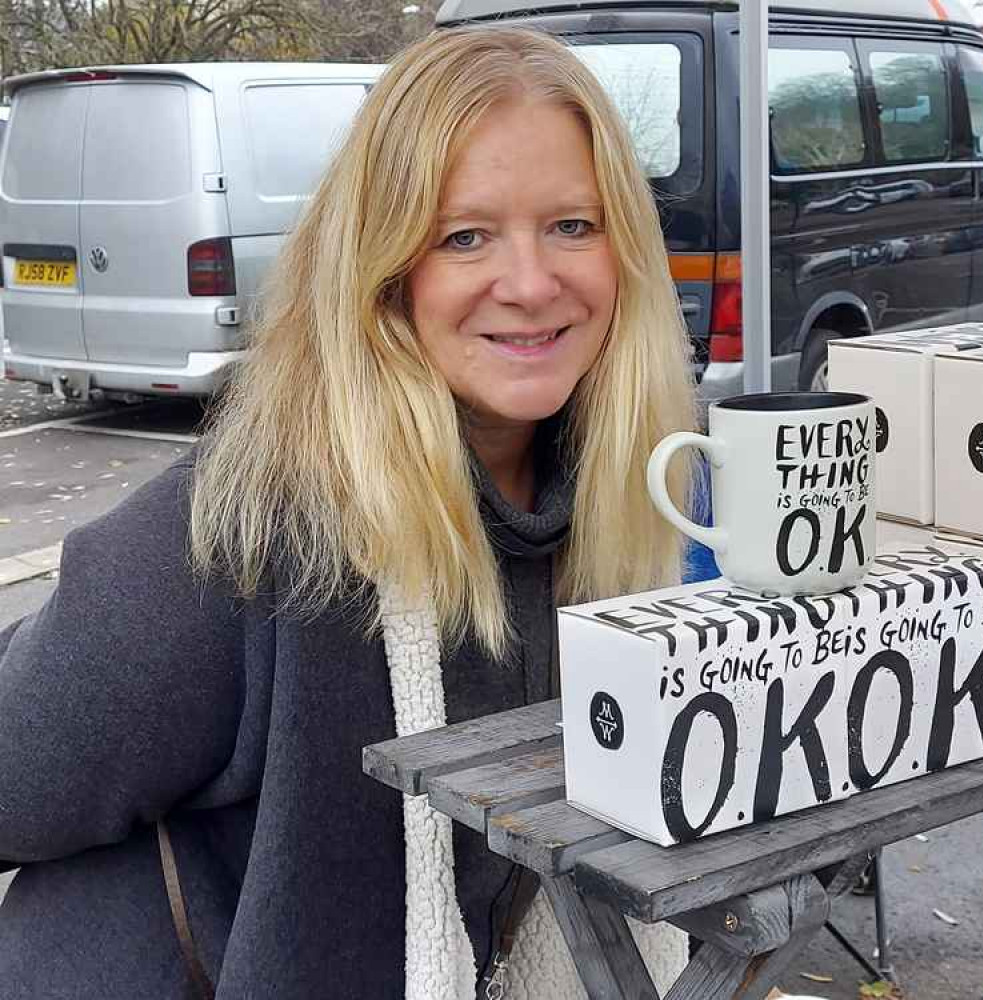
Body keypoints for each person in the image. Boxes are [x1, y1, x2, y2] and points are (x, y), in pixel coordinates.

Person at [0, 25, 697, 1000]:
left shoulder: (630, 511)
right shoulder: (245, 534)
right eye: (464, 235)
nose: (533, 282)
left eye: (572, 225)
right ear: (383, 271)